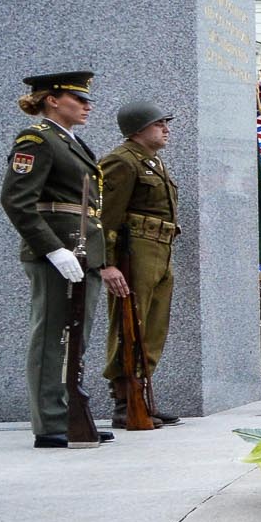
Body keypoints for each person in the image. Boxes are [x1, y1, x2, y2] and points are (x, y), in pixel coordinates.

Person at [0, 71, 121, 448]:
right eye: (78, 98)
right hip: (58, 251)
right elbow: (16, 201)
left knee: (76, 339)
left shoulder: (71, 142)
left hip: (82, 251)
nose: (88, 105)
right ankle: (50, 421)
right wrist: (52, 249)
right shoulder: (37, 139)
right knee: (52, 336)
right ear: (52, 100)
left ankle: (70, 415)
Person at [98, 98, 181, 426]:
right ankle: (123, 399)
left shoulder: (153, 162)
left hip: (159, 248)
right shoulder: (122, 161)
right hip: (135, 252)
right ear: (137, 129)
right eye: (159, 124)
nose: (166, 129)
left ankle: (142, 394)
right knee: (129, 323)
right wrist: (106, 263)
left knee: (153, 326)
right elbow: (106, 218)